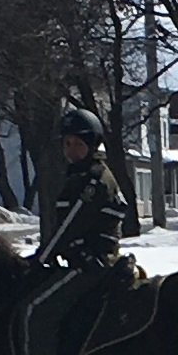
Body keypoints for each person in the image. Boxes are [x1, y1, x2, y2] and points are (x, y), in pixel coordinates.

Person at [50, 107, 130, 273]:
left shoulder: (93, 180)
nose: (71, 150)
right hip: (80, 259)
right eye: (67, 143)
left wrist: (45, 255)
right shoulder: (77, 176)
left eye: (79, 144)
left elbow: (71, 224)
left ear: (93, 145)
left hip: (96, 262)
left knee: (45, 298)